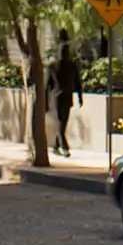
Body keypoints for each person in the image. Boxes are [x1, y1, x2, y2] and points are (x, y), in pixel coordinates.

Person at [51, 29, 83, 157]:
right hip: (60, 97)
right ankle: (64, 147)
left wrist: (80, 97)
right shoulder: (54, 67)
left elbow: (78, 82)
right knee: (61, 121)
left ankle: (55, 145)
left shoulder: (70, 66)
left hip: (65, 97)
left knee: (63, 122)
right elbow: (48, 84)